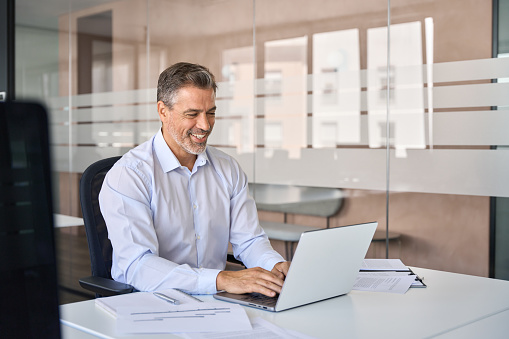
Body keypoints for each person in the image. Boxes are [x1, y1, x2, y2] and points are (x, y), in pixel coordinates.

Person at [99, 62, 290, 297]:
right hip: (150, 302)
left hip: (216, 301)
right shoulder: (129, 175)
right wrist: (220, 279)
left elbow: (249, 240)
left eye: (211, 113)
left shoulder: (228, 169)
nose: (205, 125)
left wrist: (274, 266)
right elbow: (138, 266)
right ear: (162, 111)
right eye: (192, 114)